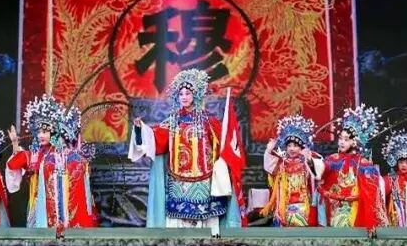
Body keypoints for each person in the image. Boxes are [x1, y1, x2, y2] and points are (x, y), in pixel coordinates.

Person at [127, 69, 242, 230]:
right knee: (179, 219)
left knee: (207, 220)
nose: (184, 97)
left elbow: (222, 145)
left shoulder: (208, 120)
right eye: (181, 94)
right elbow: (156, 139)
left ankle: (211, 240)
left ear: (196, 95)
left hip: (204, 179)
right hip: (178, 180)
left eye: (188, 93)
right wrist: (140, 129)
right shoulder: (173, 120)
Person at [6, 94, 97, 229]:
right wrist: (15, 143)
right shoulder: (35, 155)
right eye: (39, 132)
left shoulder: (67, 156)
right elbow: (13, 164)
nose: (40, 135)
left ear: (54, 132)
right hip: (39, 206)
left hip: (64, 209)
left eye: (45, 132)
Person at [318, 104, 386, 229]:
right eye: (340, 138)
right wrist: (310, 161)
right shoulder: (332, 159)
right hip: (336, 207)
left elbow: (371, 191)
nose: (342, 142)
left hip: (354, 208)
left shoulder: (363, 163)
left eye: (346, 139)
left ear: (355, 142)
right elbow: (321, 170)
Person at [261, 114, 323, 227]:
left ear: (301, 147)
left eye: (295, 145)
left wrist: (309, 159)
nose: (291, 148)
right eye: (289, 145)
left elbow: (318, 173)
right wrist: (269, 150)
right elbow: (269, 168)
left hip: (303, 205)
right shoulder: (282, 163)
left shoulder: (306, 161)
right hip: (285, 205)